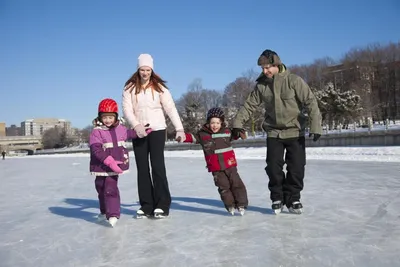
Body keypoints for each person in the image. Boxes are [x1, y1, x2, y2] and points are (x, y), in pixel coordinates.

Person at [232, 49, 322, 215]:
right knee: (273, 167)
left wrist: (316, 125)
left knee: (296, 168)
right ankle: (277, 197)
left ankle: (293, 198)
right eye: (262, 68)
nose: (265, 71)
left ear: (276, 65)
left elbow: (310, 102)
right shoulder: (262, 86)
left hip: (295, 131)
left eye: (268, 67)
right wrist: (237, 124)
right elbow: (249, 105)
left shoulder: (294, 81)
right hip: (274, 132)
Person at [122, 53, 185, 219]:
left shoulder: (159, 87)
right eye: (142, 70)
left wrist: (179, 128)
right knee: (142, 168)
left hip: (157, 130)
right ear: (138, 70)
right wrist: (136, 125)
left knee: (157, 166)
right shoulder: (129, 88)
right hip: (139, 131)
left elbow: (170, 108)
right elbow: (127, 109)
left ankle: (162, 204)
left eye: (148, 70)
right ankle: (147, 205)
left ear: (152, 70)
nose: (145, 73)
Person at [89, 98, 151, 227]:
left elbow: (130, 134)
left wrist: (141, 132)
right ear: (100, 117)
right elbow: (96, 149)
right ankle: (103, 211)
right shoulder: (96, 132)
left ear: (115, 117)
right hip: (100, 166)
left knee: (110, 189)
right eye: (105, 117)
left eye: (110, 117)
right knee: (100, 188)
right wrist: (108, 161)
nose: (108, 120)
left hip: (115, 165)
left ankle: (113, 214)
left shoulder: (120, 129)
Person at [179, 107, 248, 215]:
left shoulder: (227, 132)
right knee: (223, 186)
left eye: (217, 123)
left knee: (236, 183)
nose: (215, 125)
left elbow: (236, 134)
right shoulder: (203, 134)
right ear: (208, 123)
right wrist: (182, 137)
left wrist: (241, 133)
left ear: (221, 123)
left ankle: (241, 204)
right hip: (216, 168)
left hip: (230, 164)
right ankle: (230, 205)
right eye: (212, 123)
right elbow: (192, 137)